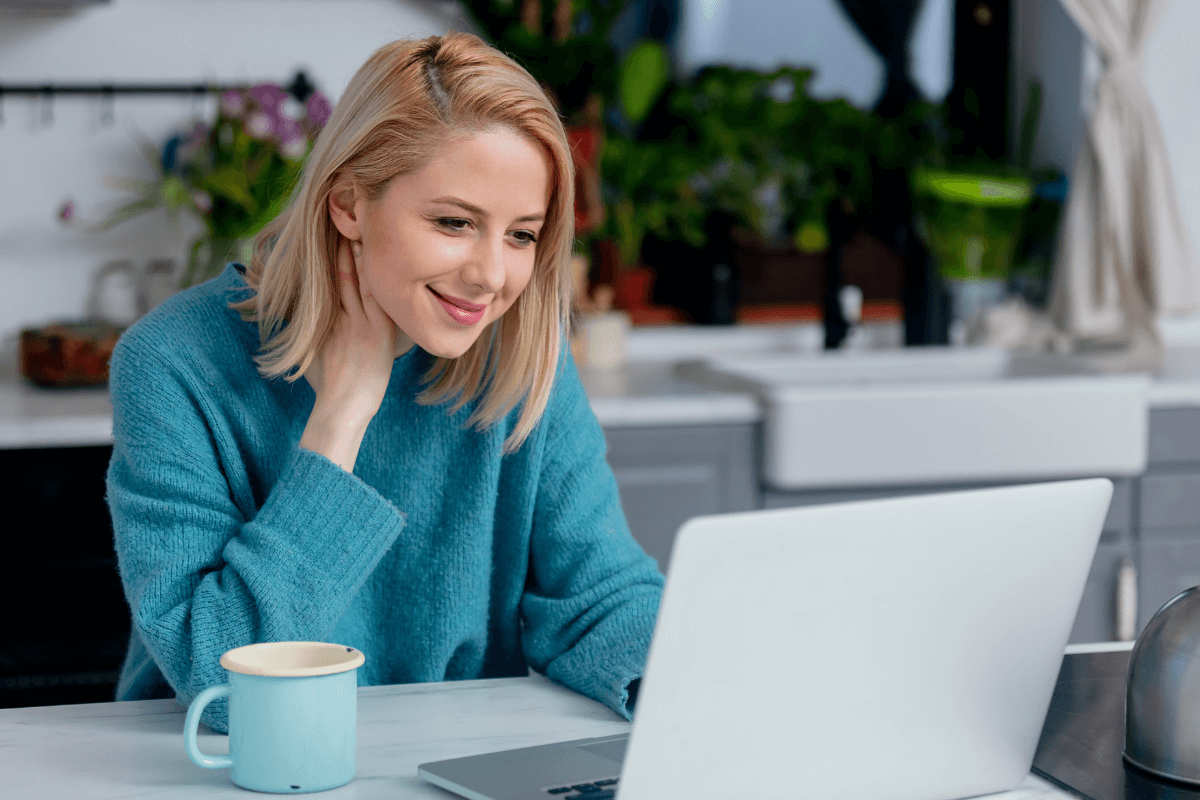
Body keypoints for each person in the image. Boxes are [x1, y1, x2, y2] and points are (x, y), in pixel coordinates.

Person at [105, 32, 665, 734]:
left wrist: (699, 682)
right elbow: (222, 685)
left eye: (522, 234)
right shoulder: (172, 362)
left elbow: (601, 600)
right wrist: (342, 416)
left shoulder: (521, 354)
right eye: (455, 223)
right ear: (348, 204)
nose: (492, 276)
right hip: (216, 766)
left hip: (444, 755)